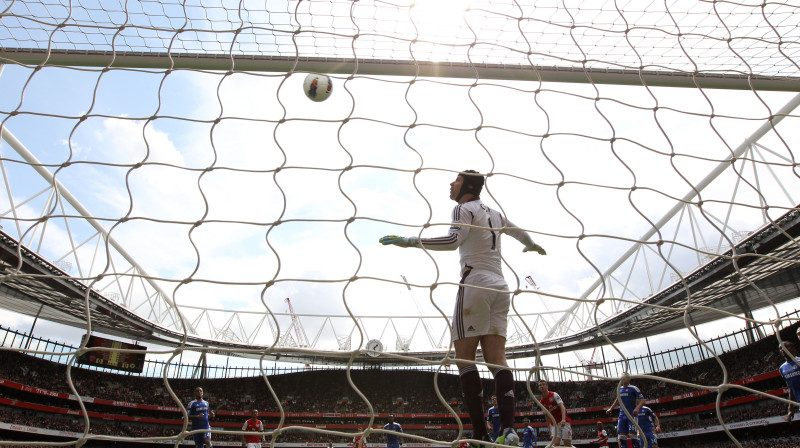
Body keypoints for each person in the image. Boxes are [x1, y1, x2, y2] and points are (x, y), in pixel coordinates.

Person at [380, 170, 546, 447]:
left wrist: (410, 241)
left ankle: (480, 434)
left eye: (455, 180)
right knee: (497, 360)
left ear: (467, 186)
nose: (450, 184)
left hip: (475, 284)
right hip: (500, 287)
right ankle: (509, 430)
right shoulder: (496, 213)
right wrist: (532, 245)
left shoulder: (462, 208)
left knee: (465, 359)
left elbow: (452, 241)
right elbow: (520, 234)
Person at [606, 373, 645, 448]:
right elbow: (618, 400)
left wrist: (637, 408)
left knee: (632, 436)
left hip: (631, 415)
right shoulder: (619, 389)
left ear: (629, 378)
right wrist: (611, 408)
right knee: (621, 437)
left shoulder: (633, 388)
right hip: (622, 415)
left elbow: (643, 400)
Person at [538, 379, 572, 447]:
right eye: (540, 385)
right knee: (556, 444)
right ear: (539, 388)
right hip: (554, 425)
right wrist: (550, 430)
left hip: (564, 422)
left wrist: (563, 419)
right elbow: (547, 416)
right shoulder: (541, 402)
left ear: (547, 386)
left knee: (567, 445)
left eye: (543, 384)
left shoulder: (554, 395)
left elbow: (562, 407)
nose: (542, 386)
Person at [779, 341, 800, 422]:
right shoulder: (782, 368)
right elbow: (791, 388)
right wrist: (790, 409)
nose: (782, 349)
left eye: (785, 346)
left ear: (793, 349)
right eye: (780, 348)